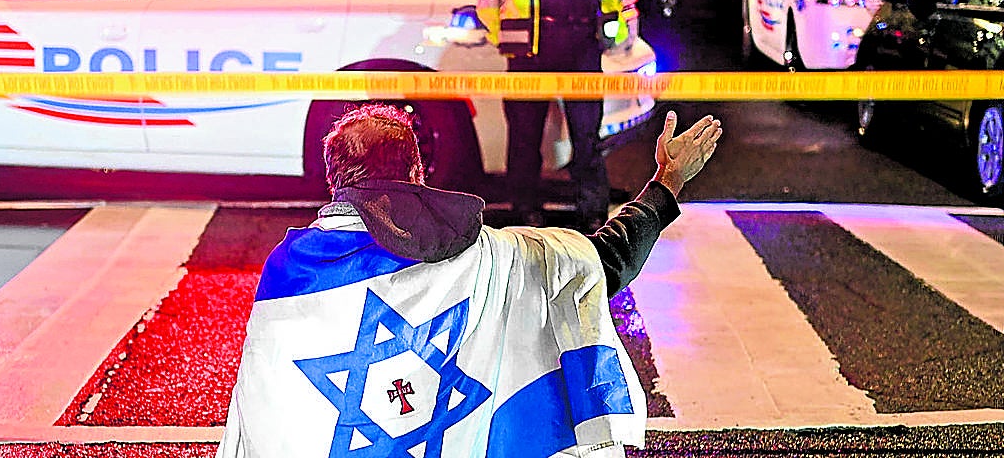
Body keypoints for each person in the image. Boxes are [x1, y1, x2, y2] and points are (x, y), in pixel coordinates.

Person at [218, 103, 723, 458]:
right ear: (418, 171)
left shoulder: (291, 275)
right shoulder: (491, 257)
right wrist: (665, 184)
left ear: (334, 181)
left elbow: (266, 408)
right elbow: (601, 261)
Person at [476, 0, 630, 228]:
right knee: (525, 137)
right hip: (530, 52)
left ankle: (592, 214)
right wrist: (506, 37)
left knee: (587, 136)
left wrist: (610, 35)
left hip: (580, 46)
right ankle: (525, 211)